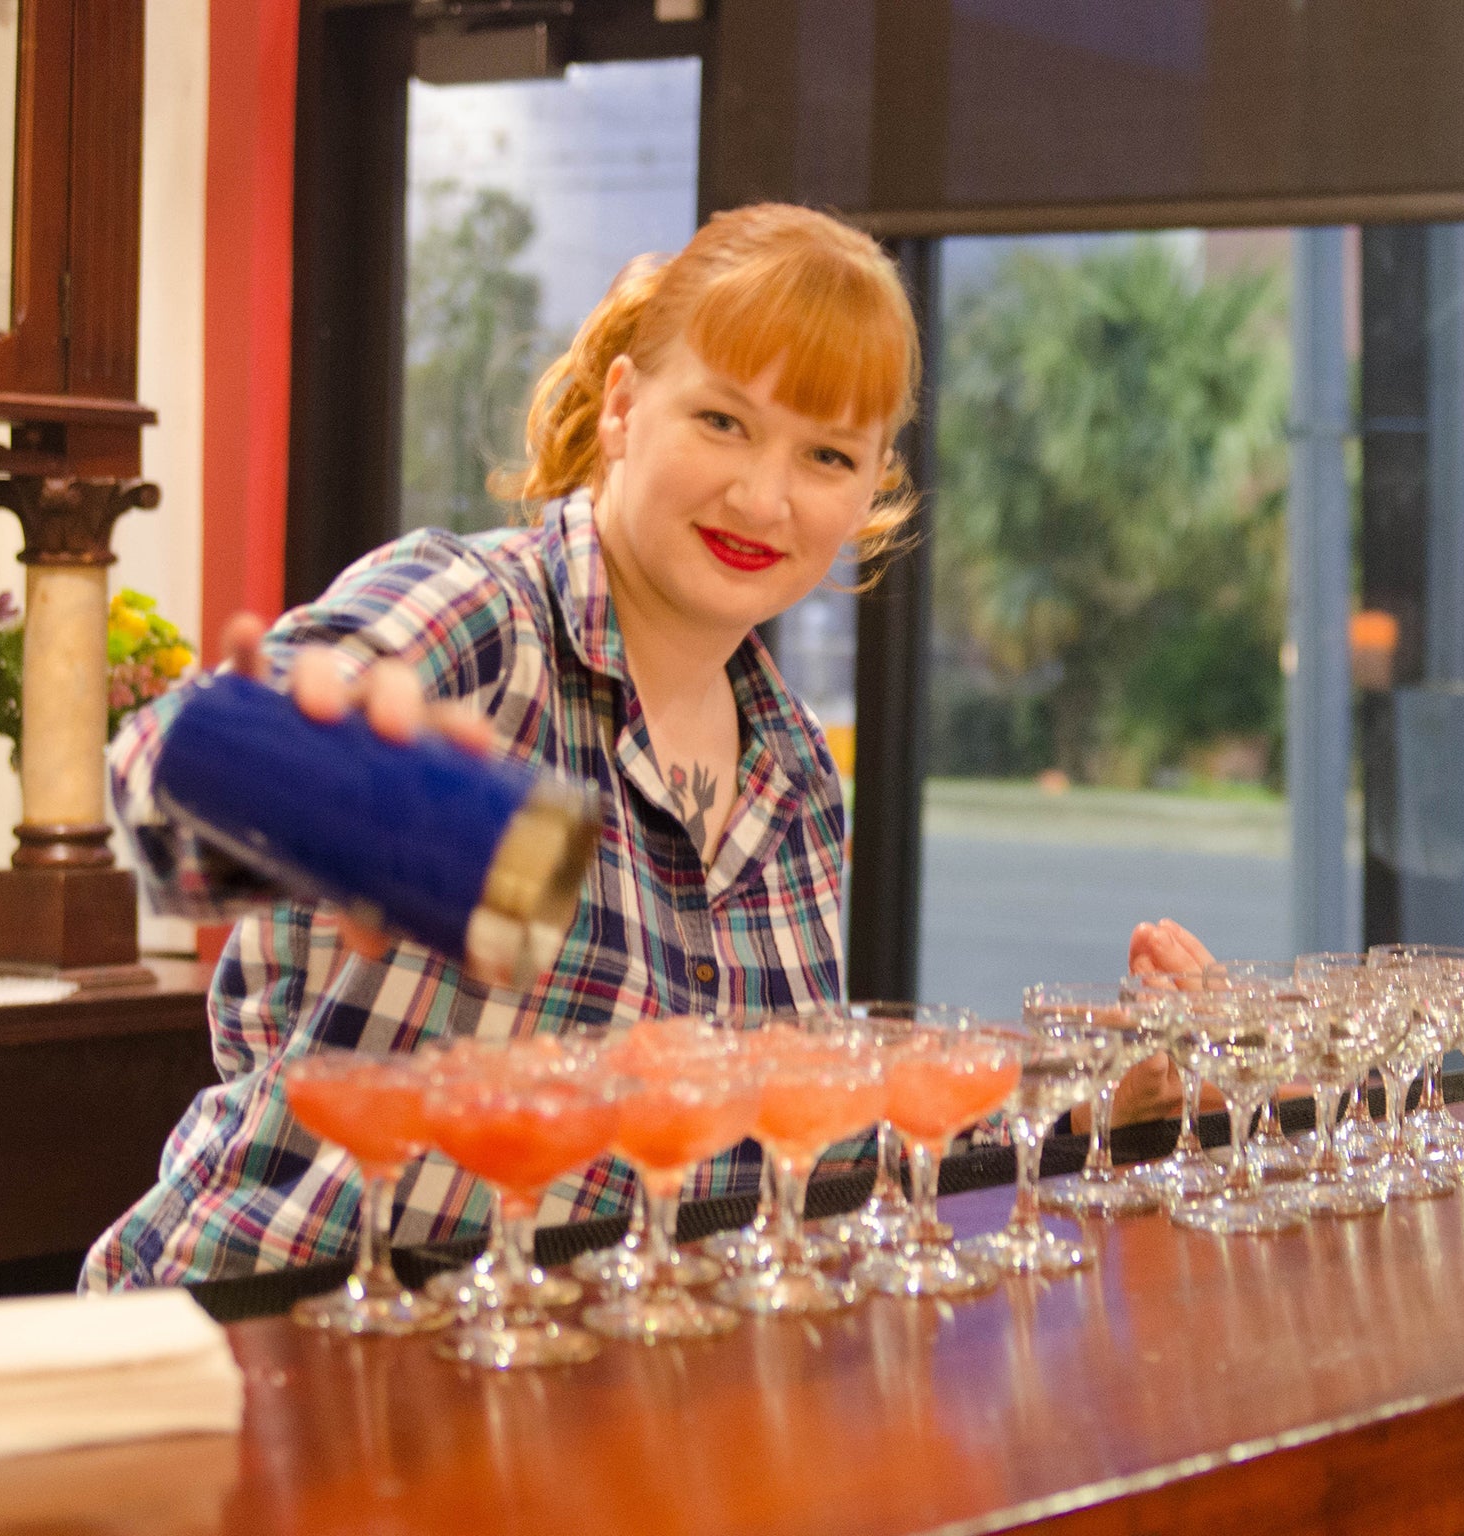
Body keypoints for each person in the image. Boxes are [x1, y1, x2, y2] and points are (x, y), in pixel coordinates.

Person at [85, 203, 1206, 1291]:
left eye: (825, 455)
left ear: (872, 488)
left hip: (567, 1397)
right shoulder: (481, 614)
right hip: (279, 1333)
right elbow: (164, 779)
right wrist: (322, 783)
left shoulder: (796, 774)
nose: (761, 495)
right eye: (722, 421)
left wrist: (1099, 1107)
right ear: (624, 407)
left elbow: (779, 1168)